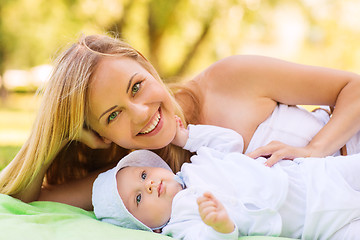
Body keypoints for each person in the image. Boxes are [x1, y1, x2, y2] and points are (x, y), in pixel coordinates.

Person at [1, 33, 360, 210]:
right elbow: (27, 195)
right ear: (98, 133)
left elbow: (353, 87)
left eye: (137, 86)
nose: (140, 112)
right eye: (113, 115)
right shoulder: (136, 177)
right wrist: (54, 138)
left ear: (144, 64)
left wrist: (314, 150)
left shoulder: (229, 80)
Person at [92, 122, 360, 240]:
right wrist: (219, 225)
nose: (148, 185)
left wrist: (186, 137)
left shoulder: (197, 163)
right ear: (149, 228)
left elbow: (230, 142)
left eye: (143, 175)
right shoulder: (182, 223)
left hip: (314, 178)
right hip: (316, 227)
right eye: (138, 198)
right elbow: (204, 238)